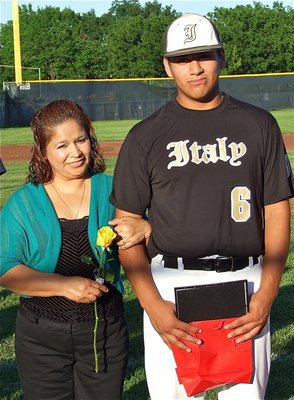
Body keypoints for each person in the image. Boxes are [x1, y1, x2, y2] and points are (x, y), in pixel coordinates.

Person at [109, 13, 294, 400]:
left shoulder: (258, 124)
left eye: (205, 55)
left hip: (245, 283)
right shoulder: (145, 136)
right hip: (170, 286)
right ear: (166, 65)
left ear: (221, 57)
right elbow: (126, 226)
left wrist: (268, 292)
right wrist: (151, 304)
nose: (194, 68)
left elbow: (278, 209)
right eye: (181, 59)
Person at [0, 99, 150, 400]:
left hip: (104, 332)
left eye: (80, 140)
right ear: (43, 151)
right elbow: (5, 267)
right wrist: (62, 285)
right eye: (62, 145)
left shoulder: (114, 189)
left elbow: (157, 232)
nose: (75, 152)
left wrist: (148, 227)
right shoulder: (24, 202)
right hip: (42, 337)